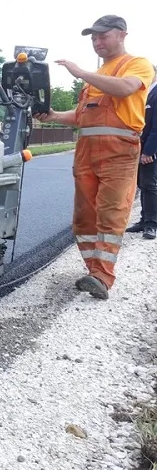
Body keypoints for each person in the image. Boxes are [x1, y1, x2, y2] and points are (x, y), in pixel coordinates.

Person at [34, 15, 154, 299]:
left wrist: (81, 72)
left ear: (122, 35)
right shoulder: (92, 83)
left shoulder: (137, 64)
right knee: (84, 217)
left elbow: (125, 88)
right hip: (86, 150)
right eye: (93, 38)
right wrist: (52, 116)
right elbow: (80, 116)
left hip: (119, 150)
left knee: (110, 213)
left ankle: (103, 276)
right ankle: (93, 271)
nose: (97, 42)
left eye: (103, 36)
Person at [126, 65, 157, 239]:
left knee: (149, 185)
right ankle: (144, 220)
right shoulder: (144, 94)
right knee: (142, 184)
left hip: (149, 149)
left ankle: (151, 224)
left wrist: (149, 151)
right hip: (137, 147)